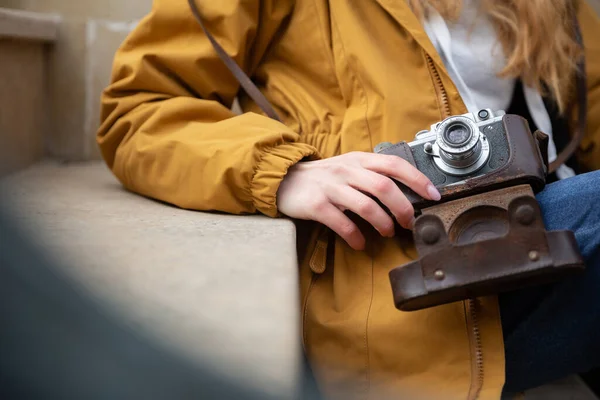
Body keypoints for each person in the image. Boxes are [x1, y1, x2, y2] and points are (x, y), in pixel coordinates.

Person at [96, 0, 600, 398]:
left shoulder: (558, 8)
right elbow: (138, 111)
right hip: (405, 264)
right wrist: (284, 170)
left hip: (550, 220)